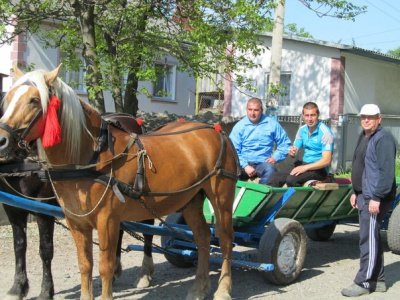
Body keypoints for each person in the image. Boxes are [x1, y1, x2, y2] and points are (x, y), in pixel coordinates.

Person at [341, 104, 397, 297]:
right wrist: (355, 191)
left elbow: (387, 173)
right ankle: (378, 280)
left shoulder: (384, 139)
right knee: (370, 238)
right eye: (363, 116)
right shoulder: (364, 135)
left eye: (370, 117)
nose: (366, 120)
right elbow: (361, 165)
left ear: (379, 119)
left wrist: (376, 197)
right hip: (364, 194)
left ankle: (364, 282)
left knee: (367, 239)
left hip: (375, 197)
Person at [267, 102, 334, 187]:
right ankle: (274, 200)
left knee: (291, 180)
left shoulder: (325, 132)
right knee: (274, 177)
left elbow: (326, 161)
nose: (309, 119)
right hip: (304, 164)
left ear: (318, 115)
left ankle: (295, 200)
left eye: (312, 115)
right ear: (303, 115)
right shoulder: (302, 130)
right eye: (307, 115)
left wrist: (305, 168)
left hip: (319, 169)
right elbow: (294, 151)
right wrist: (292, 152)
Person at [229, 97, 291, 184]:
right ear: (246, 110)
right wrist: (245, 166)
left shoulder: (272, 124)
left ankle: (261, 195)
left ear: (261, 110)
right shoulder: (239, 126)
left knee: (271, 170)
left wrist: (275, 157)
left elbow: (285, 144)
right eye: (250, 110)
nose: (252, 113)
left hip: (263, 163)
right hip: (243, 163)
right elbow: (233, 149)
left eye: (256, 110)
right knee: (228, 171)